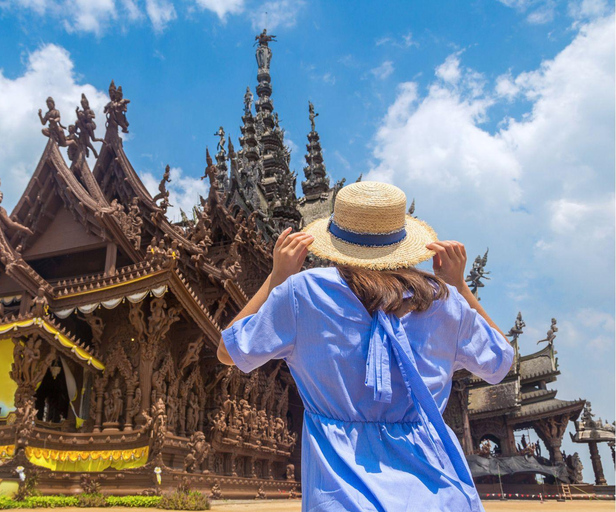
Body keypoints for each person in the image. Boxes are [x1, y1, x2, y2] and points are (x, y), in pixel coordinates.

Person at [217, 181, 513, 511]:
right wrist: (460, 286)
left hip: (343, 496)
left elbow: (227, 351)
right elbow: (501, 360)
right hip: (440, 495)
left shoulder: (303, 293)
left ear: (336, 241)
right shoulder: (444, 302)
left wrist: (276, 279)